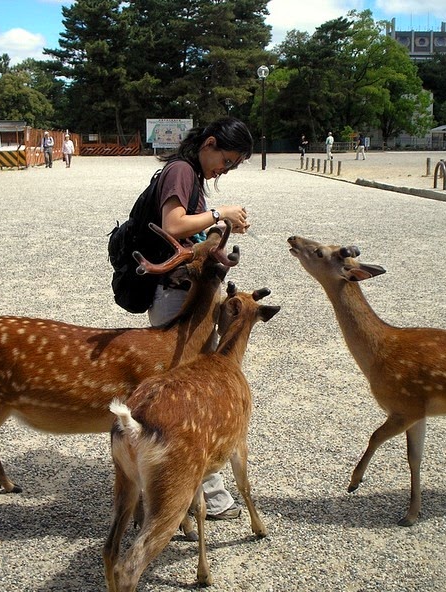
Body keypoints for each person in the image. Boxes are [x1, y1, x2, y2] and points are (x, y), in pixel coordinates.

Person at [147, 117, 252, 520]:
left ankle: (182, 481)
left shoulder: (191, 173)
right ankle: (206, 492)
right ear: (208, 143)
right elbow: (173, 224)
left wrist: (223, 224)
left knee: (185, 391)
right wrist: (219, 212)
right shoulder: (180, 170)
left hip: (185, 292)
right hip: (176, 296)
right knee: (189, 394)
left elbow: (187, 234)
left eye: (232, 165)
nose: (224, 169)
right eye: (225, 159)